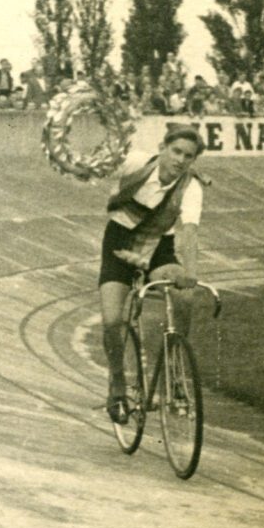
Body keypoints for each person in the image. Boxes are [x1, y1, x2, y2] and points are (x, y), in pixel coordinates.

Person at [96, 125, 208, 423]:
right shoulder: (135, 163)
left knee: (183, 296)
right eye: (176, 151)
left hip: (159, 248)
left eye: (189, 156)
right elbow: (97, 167)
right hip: (119, 246)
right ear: (162, 147)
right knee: (112, 321)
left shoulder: (191, 186)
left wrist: (191, 274)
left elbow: (189, 232)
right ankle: (118, 385)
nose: (181, 160)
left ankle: (174, 373)